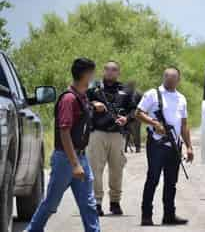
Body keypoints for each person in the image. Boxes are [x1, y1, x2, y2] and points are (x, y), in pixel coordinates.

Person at [26, 58, 100, 232]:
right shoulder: (68, 99)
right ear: (85, 75)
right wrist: (75, 164)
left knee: (88, 204)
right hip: (66, 160)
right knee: (51, 203)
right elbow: (64, 131)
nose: (93, 77)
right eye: (92, 73)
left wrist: (93, 105)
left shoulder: (81, 97)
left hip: (80, 157)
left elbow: (81, 113)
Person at [136, 67, 194, 226]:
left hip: (174, 145)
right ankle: (146, 215)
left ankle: (169, 215)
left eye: (173, 76)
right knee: (153, 179)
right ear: (163, 77)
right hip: (156, 144)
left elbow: (183, 125)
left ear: (178, 79)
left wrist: (189, 147)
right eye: (167, 76)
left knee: (171, 182)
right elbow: (138, 113)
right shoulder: (152, 94)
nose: (170, 79)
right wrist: (154, 123)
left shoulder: (181, 98)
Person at [86, 61, 137, 216]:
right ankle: (97, 203)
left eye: (114, 70)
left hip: (117, 134)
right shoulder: (93, 88)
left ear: (118, 73)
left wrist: (126, 119)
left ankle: (115, 202)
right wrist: (94, 104)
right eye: (107, 69)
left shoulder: (125, 91)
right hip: (97, 133)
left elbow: (135, 110)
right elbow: (81, 103)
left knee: (117, 170)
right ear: (103, 71)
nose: (110, 72)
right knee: (95, 170)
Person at [125, 80, 142, 153]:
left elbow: (142, 105)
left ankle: (137, 147)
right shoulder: (125, 93)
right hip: (127, 115)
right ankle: (124, 147)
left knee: (136, 132)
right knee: (126, 132)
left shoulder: (138, 93)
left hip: (136, 116)